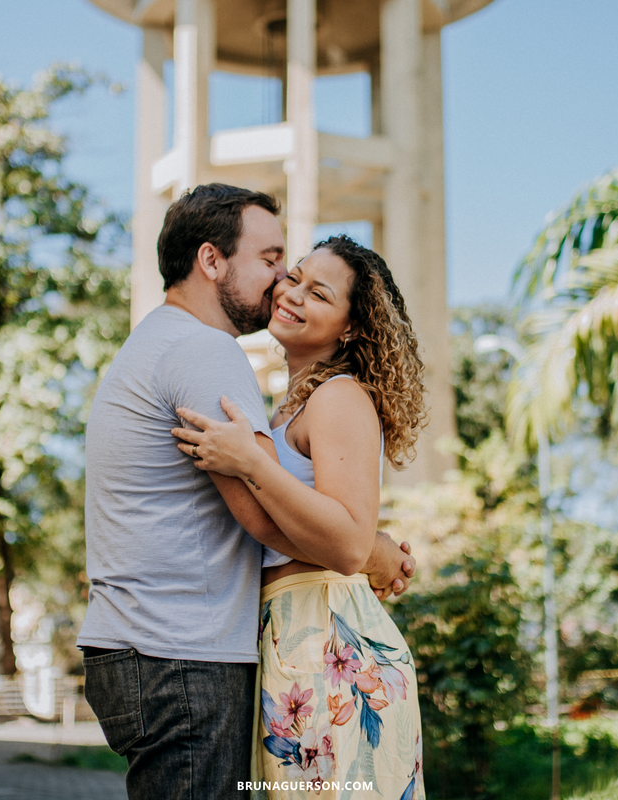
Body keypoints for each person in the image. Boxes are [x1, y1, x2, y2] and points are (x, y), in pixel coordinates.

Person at [77, 185, 416, 800]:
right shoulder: (207, 352)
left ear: (350, 327)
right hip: (181, 654)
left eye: (311, 286)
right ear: (212, 261)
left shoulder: (172, 344)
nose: (282, 285)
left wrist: (367, 545)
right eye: (274, 263)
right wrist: (375, 550)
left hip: (284, 644)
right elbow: (265, 518)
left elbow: (306, 520)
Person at [172, 234, 428, 799]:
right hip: (289, 636)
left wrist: (248, 463)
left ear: (351, 328)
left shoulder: (338, 396)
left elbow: (347, 544)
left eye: (319, 293)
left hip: (329, 641)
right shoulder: (291, 404)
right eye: (295, 277)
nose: (291, 293)